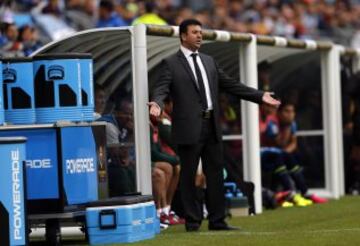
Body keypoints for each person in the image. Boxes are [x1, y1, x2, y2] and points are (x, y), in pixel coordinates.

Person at [148, 19, 280, 232]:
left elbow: (231, 85)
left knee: (216, 174)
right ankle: (192, 222)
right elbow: (161, 87)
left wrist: (259, 96)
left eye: (201, 32)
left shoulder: (209, 61)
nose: (200, 35)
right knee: (189, 176)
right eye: (195, 32)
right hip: (189, 128)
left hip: (212, 125)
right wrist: (156, 103)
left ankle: (218, 221)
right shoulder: (171, 63)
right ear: (183, 36)